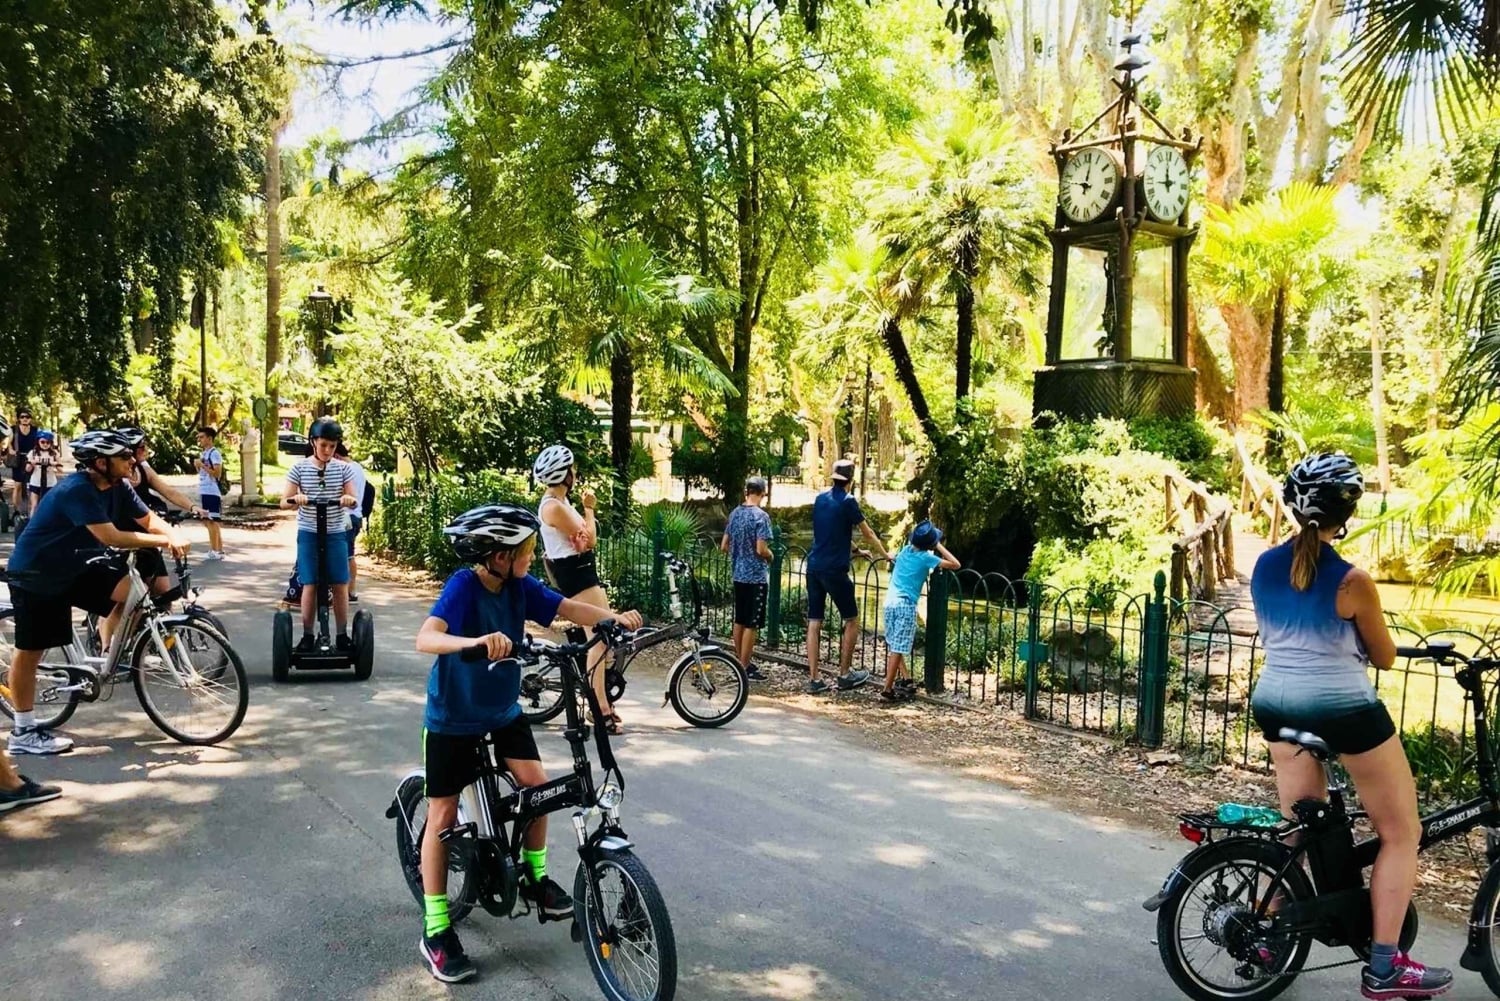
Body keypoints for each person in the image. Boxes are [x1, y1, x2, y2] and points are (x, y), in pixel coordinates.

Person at [414, 503, 643, 983]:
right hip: (454, 718)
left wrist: (611, 618)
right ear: (498, 555)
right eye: (526, 549)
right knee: (441, 815)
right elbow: (427, 638)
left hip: (503, 711)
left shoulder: (520, 586)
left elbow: (564, 608)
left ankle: (535, 878)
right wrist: (475, 642)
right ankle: (436, 928)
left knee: (538, 790)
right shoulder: (464, 586)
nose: (533, 555)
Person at [1251, 453, 1451, 999]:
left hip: (1275, 703)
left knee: (1300, 827)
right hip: (1341, 709)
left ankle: (1269, 934)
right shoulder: (1353, 581)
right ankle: (1385, 966)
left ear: (1293, 506)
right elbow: (1384, 657)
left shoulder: (1264, 566)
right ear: (1349, 512)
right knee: (1401, 832)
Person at [3, 429, 189, 755]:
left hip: (75, 567)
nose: (132, 460)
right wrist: (164, 541)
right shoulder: (78, 491)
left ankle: (107, 655)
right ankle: (23, 731)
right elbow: (112, 537)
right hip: (38, 572)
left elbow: (148, 521)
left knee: (134, 591)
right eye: (124, 457)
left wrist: (170, 532)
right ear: (101, 463)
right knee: (31, 651)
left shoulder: (119, 487)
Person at [534, 444, 624, 734]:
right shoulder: (555, 506)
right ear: (564, 474)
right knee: (599, 639)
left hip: (581, 571)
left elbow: (583, 539)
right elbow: (591, 539)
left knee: (604, 636)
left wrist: (583, 523)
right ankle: (599, 709)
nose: (575, 472)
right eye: (572, 468)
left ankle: (599, 697)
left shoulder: (557, 502)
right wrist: (589, 509)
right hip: (577, 574)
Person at [804, 458, 888, 694]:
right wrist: (884, 554)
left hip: (814, 566)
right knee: (852, 619)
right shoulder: (849, 502)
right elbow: (868, 532)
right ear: (851, 481)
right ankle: (844, 674)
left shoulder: (820, 499)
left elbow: (831, 532)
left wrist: (856, 551)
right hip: (834, 569)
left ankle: (814, 678)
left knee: (814, 621)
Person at [280, 417, 358, 652]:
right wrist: (297, 499)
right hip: (309, 533)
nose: (327, 450)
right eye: (323, 445)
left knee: (340, 583)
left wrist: (348, 499)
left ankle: (343, 635)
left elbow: (353, 499)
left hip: (335, 533)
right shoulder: (299, 468)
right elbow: (284, 502)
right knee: (310, 583)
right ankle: (308, 635)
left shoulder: (344, 469)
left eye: (332, 446)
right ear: (313, 442)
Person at [115, 428, 208, 596]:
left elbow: (168, 492)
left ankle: (158, 623)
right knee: (126, 599)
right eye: (141, 447)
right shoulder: (117, 479)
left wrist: (193, 507)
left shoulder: (143, 470)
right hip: (125, 541)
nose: (146, 450)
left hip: (148, 540)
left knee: (163, 592)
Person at [879, 521, 959, 702]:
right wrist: (938, 545)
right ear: (930, 544)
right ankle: (887, 688)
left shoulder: (905, 551)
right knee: (898, 648)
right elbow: (956, 564)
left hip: (889, 602)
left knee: (894, 644)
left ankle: (906, 679)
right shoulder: (926, 558)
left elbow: (893, 556)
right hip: (905, 605)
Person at [719, 476, 773, 681]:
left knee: (739, 619)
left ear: (746, 492)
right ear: (762, 493)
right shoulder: (761, 517)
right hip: (756, 577)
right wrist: (770, 556)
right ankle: (744, 666)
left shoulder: (735, 514)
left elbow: (724, 545)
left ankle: (739, 661)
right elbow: (761, 548)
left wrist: (739, 553)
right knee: (752, 623)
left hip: (738, 574)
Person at [335, 441, 369, 602]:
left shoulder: (345, 469)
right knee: (349, 554)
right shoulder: (358, 467)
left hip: (346, 516)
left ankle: (348, 589)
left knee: (345, 555)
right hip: (357, 515)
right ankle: (351, 588)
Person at [195, 426, 227, 560]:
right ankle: (218, 549)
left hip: (212, 491)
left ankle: (215, 550)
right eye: (198, 437)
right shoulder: (204, 453)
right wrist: (198, 465)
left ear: (209, 438)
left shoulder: (214, 453)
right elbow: (202, 473)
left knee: (212, 521)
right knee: (208, 521)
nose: (199, 440)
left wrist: (202, 465)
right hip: (204, 489)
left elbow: (217, 474)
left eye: (202, 437)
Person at [6, 409, 39, 518]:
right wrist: (10, 449)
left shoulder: (35, 430)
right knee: (18, 485)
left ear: (30, 418)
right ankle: (17, 511)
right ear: (19, 419)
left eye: (27, 417)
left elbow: (40, 442)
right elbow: (8, 442)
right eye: (22, 417)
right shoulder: (13, 429)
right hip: (18, 459)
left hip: (31, 459)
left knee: (32, 485)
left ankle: (31, 511)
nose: (25, 419)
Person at [24, 430, 59, 505]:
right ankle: (33, 517)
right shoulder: (33, 453)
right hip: (36, 482)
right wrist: (32, 464)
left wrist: (55, 464)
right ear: (38, 442)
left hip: (50, 483)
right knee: (34, 505)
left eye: (48, 442)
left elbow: (61, 470)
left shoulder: (54, 453)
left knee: (49, 505)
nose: (45, 444)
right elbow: (27, 469)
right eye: (42, 442)